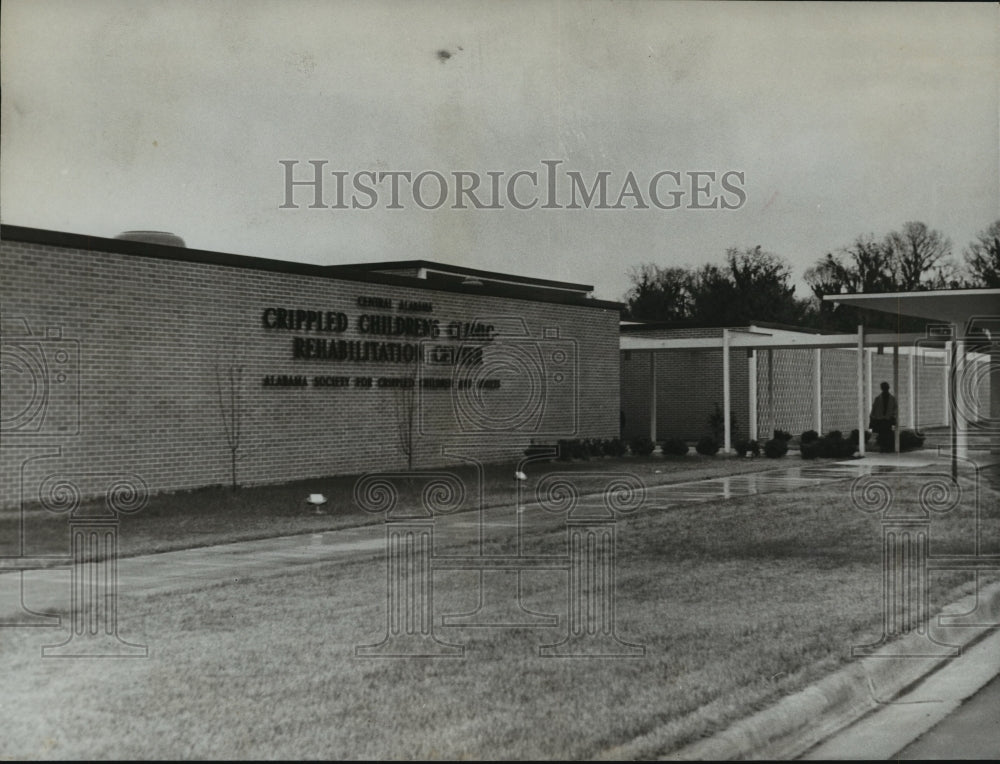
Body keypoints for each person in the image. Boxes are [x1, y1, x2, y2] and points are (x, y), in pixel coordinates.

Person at [869, 381, 898, 452]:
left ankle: (888, 448)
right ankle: (883, 448)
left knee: (888, 434)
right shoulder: (878, 399)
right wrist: (873, 418)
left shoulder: (892, 399)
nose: (885, 389)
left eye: (886, 388)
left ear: (888, 388)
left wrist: (892, 416)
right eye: (884, 388)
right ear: (882, 388)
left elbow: (895, 409)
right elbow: (874, 409)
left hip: (888, 419)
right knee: (881, 434)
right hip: (880, 419)